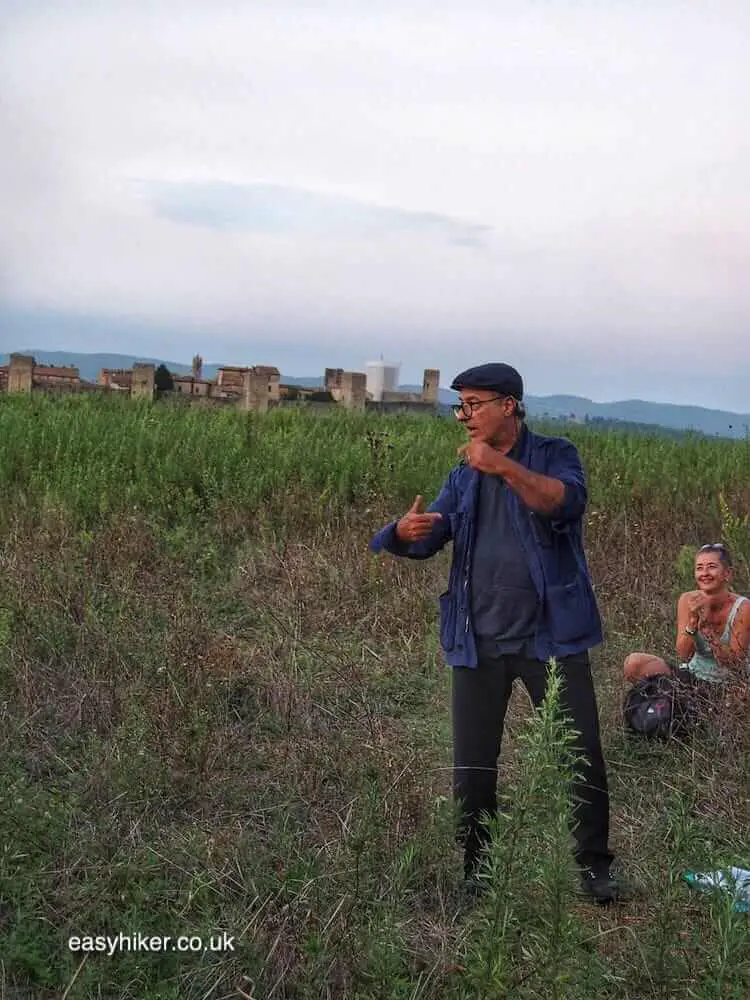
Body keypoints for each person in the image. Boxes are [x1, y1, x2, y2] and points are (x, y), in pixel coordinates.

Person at [369, 362, 624, 904]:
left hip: (549, 638)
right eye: (460, 406)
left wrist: (503, 467)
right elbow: (429, 537)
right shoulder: (463, 475)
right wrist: (399, 532)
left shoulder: (555, 453)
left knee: (579, 753)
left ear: (508, 405)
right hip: (477, 639)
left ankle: (595, 869)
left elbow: (565, 502)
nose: (464, 416)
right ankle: (476, 874)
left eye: (475, 404)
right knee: (474, 766)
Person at [623, 544, 750, 699]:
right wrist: (693, 621)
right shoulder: (687, 600)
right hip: (692, 675)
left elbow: (733, 663)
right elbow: (683, 654)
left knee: (743, 696)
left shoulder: (743, 608)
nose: (705, 573)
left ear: (727, 573)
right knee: (633, 663)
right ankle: (666, 707)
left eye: (711, 567)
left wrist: (708, 630)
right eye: (699, 568)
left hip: (728, 685)